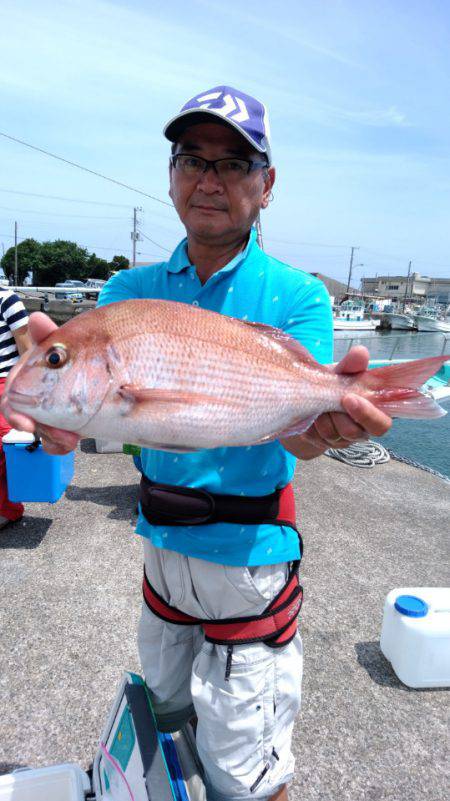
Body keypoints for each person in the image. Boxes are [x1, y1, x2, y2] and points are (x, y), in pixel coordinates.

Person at [2, 86, 392, 800]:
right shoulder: (127, 288)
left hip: (248, 564)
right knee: (169, 725)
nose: (209, 178)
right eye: (192, 159)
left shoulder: (297, 295)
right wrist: (58, 422)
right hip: (159, 555)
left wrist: (326, 420)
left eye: (234, 163)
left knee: (247, 767)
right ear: (172, 175)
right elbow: (95, 431)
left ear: (266, 185)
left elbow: (299, 443)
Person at [0, 287, 31, 528]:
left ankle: (8, 509)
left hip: (5, 380)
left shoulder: (7, 298)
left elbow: (26, 347)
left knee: (3, 445)